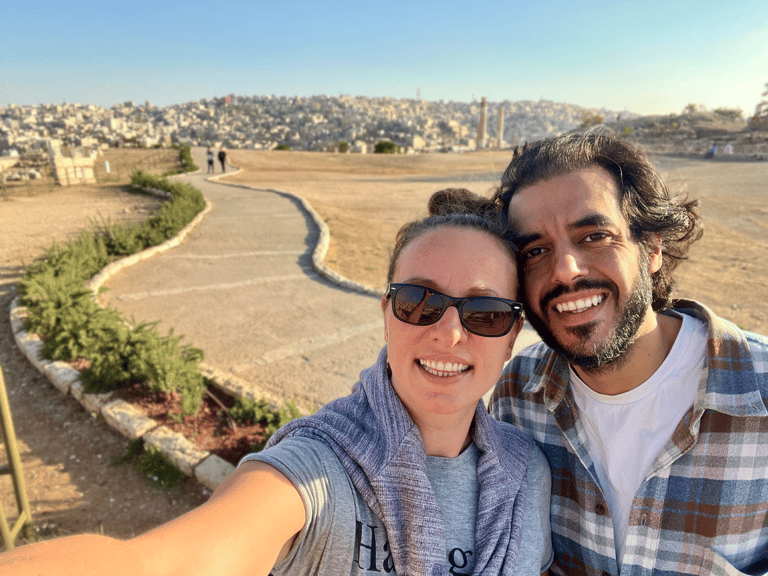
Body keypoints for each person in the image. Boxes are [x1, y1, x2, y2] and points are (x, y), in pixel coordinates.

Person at [1, 190, 553, 576]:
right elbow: (159, 564)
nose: (449, 333)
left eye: (484, 312)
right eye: (420, 302)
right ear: (387, 313)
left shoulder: (526, 474)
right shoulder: (320, 465)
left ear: (512, 336)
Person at [488, 130, 768, 576]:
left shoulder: (761, 389)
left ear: (652, 247)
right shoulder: (516, 397)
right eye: (536, 250)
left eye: (595, 236)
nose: (565, 271)